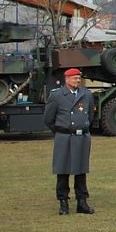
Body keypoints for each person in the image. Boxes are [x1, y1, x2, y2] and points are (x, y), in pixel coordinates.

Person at [44, 68, 95, 215]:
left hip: (81, 137)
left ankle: (82, 202)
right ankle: (63, 203)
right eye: (74, 78)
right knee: (63, 170)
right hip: (64, 137)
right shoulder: (57, 95)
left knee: (81, 170)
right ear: (67, 79)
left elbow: (90, 116)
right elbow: (48, 119)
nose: (77, 81)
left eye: (79, 78)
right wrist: (61, 131)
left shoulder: (86, 94)